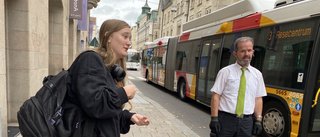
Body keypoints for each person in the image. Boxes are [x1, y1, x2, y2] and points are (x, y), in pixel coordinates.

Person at [66, 19, 150, 137]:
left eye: (130, 38)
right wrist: (123, 93)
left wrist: (128, 117)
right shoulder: (90, 59)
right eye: (125, 36)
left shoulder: (108, 69)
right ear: (108, 37)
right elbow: (95, 105)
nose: (129, 43)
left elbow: (106, 116)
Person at [209, 37, 267, 137]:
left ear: (252, 52)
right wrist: (214, 118)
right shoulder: (225, 72)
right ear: (235, 54)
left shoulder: (257, 75)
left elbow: (258, 98)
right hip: (226, 120)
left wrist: (258, 120)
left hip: (246, 122)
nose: (246, 54)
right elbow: (216, 96)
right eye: (242, 51)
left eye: (249, 50)